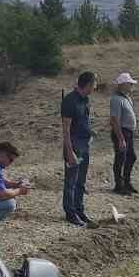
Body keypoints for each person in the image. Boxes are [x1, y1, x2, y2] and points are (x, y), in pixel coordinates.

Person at [61, 71, 96, 227]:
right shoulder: (70, 100)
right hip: (74, 144)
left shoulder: (86, 100)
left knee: (81, 181)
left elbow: (83, 120)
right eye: (94, 84)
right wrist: (70, 152)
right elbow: (66, 130)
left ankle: (79, 209)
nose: (95, 87)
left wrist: (90, 132)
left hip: (85, 143)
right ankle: (70, 212)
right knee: (71, 181)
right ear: (88, 84)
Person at [110, 72, 139, 195]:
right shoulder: (116, 99)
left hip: (128, 132)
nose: (132, 85)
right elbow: (114, 120)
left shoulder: (126, 98)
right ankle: (119, 185)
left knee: (130, 157)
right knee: (121, 158)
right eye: (130, 83)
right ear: (123, 85)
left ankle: (126, 182)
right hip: (122, 132)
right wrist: (121, 138)